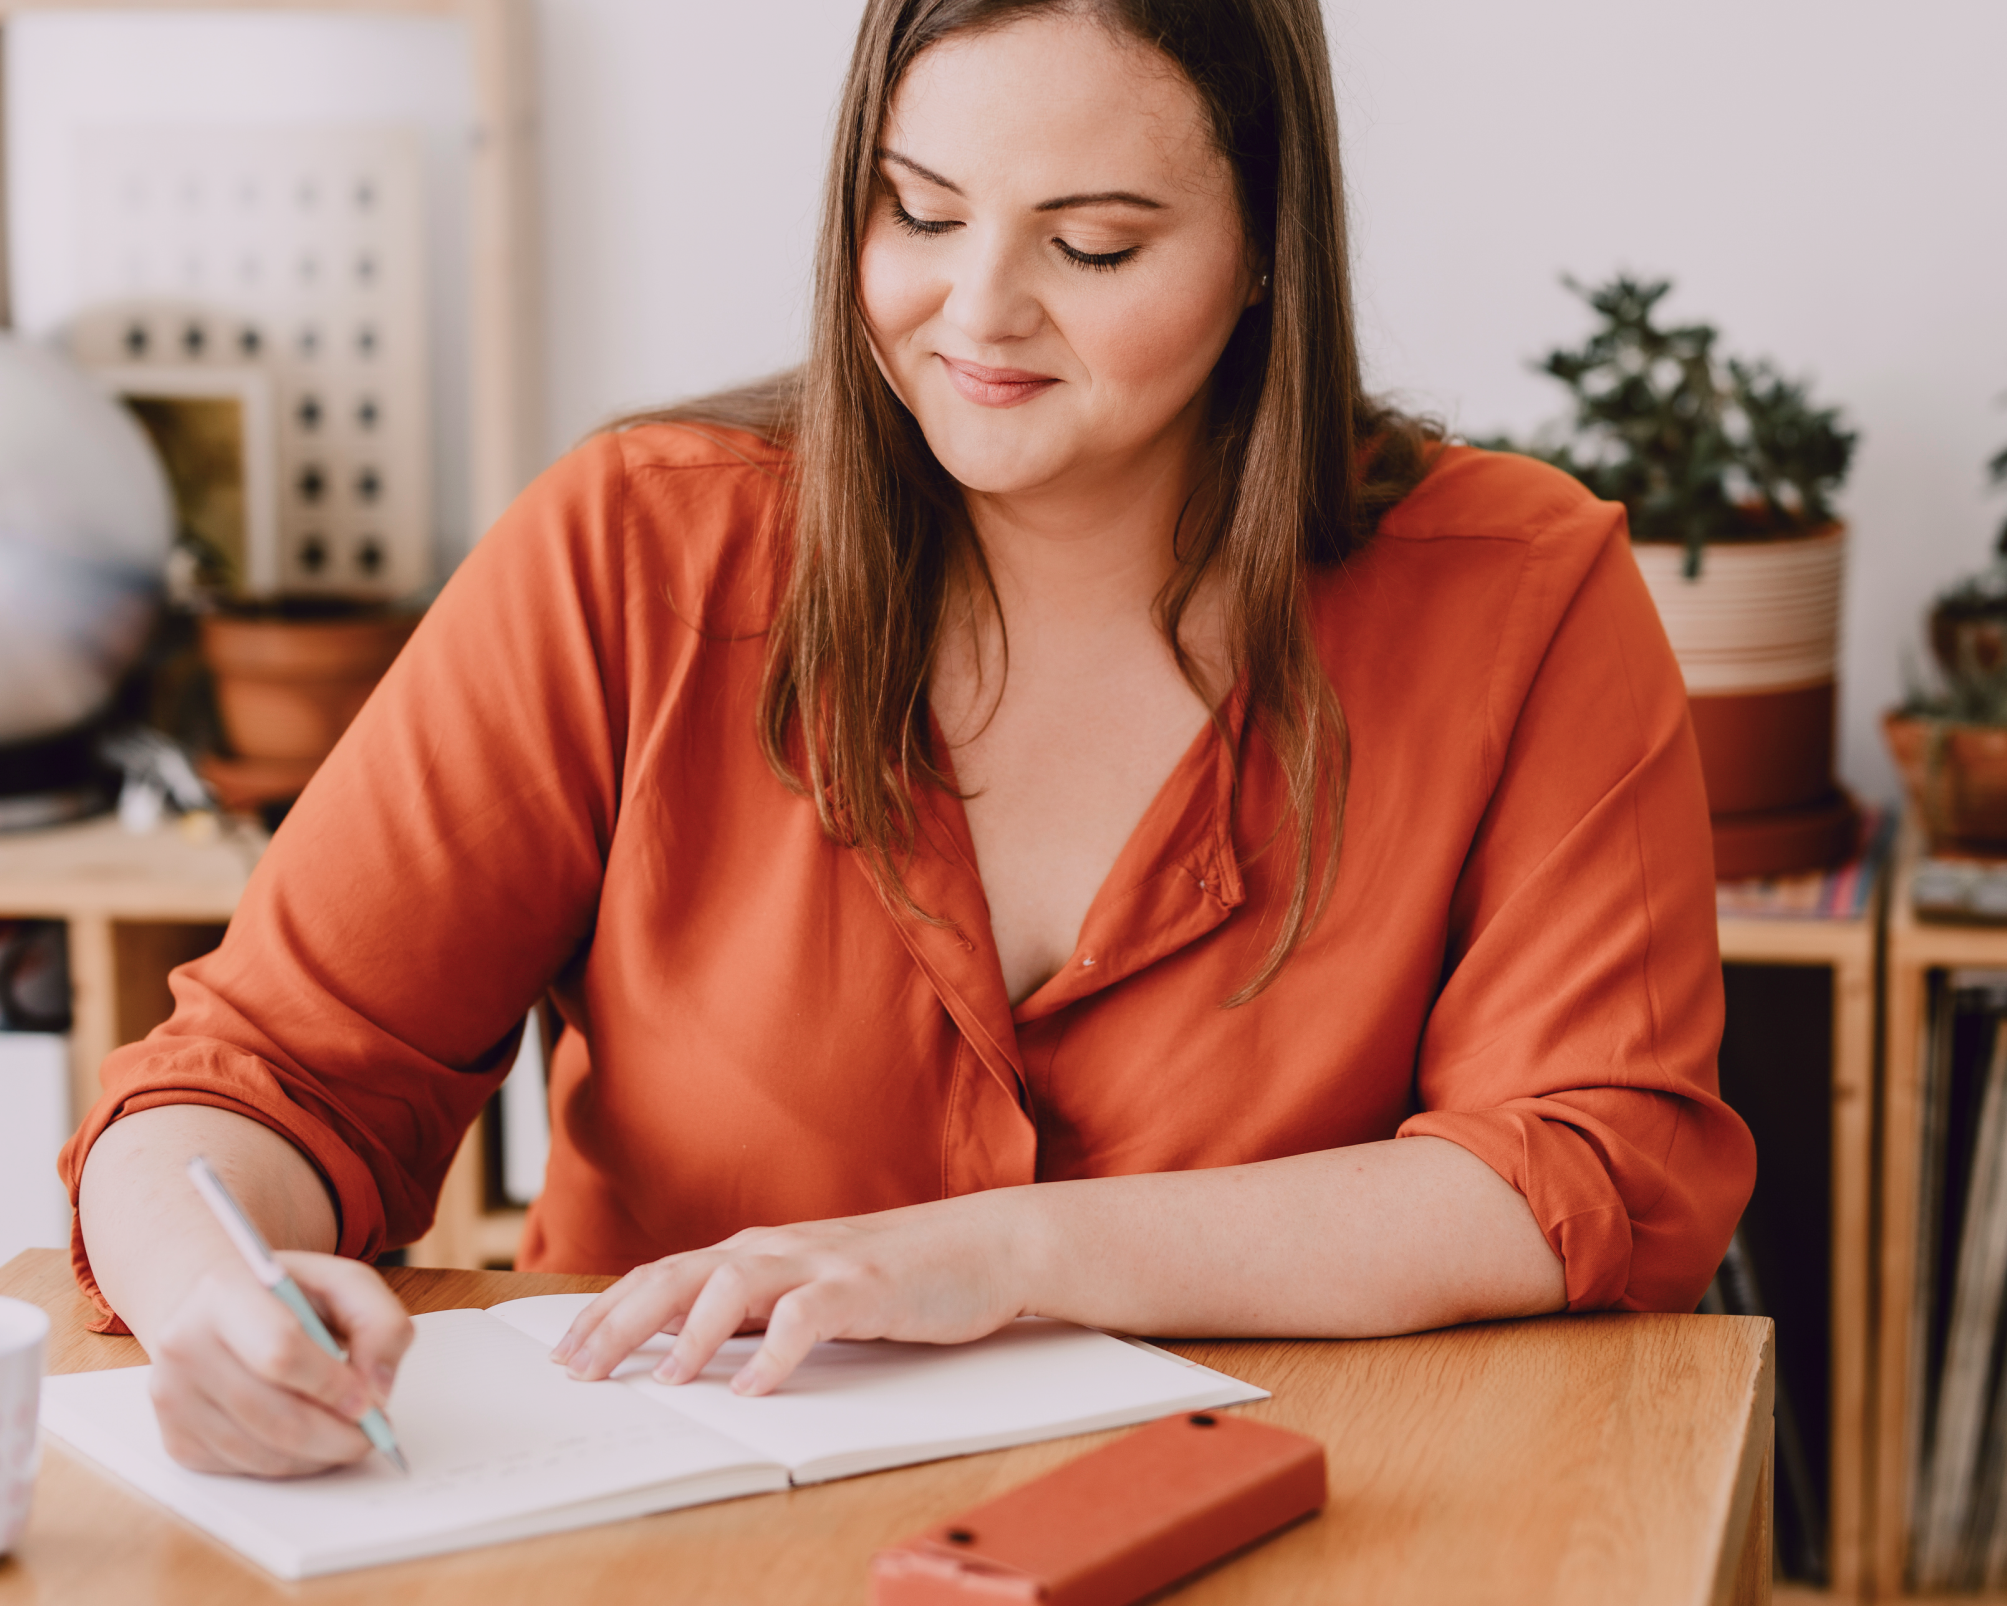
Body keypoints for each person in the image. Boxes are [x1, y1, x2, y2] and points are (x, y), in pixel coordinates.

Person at [64, 0, 1754, 1479]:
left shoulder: (1518, 594)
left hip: (1283, 1521)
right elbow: (261, 1076)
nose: (978, 312)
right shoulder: (637, 550)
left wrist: (998, 1252)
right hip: (677, 1527)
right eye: (919, 211)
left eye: (1094, 246)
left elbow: (1585, 1161)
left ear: (1266, 248)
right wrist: (217, 1297)